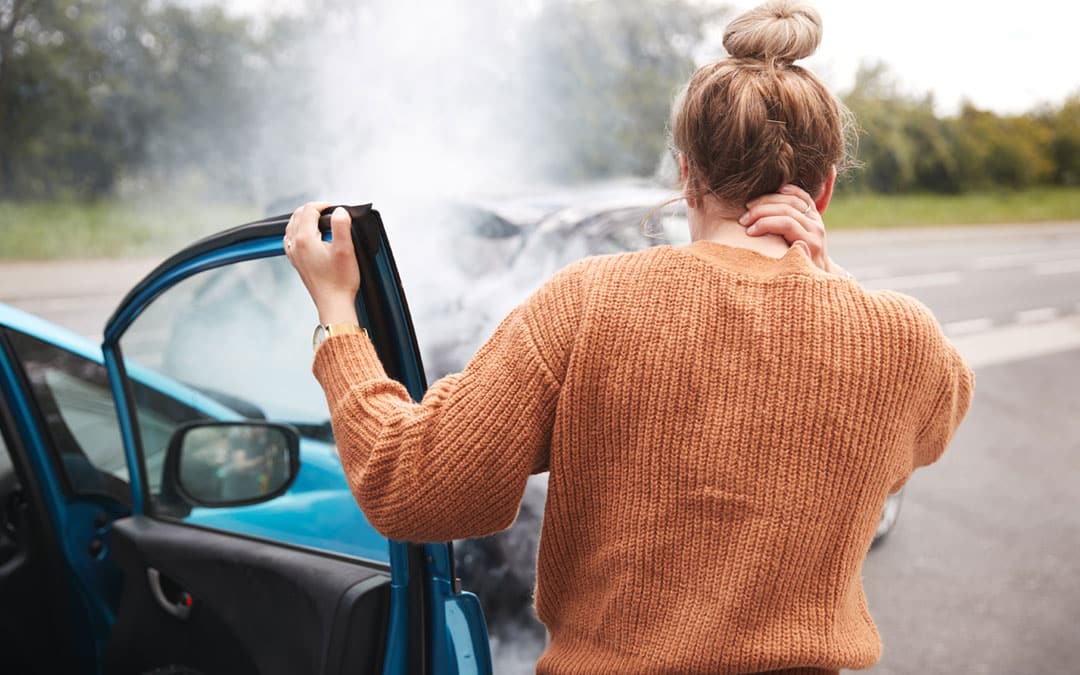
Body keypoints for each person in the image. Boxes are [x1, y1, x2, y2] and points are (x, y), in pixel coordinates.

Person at [284, 1, 974, 672]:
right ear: (823, 191)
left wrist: (338, 316)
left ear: (686, 173)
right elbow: (937, 418)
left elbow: (413, 486)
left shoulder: (587, 301)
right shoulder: (901, 339)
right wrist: (827, 274)